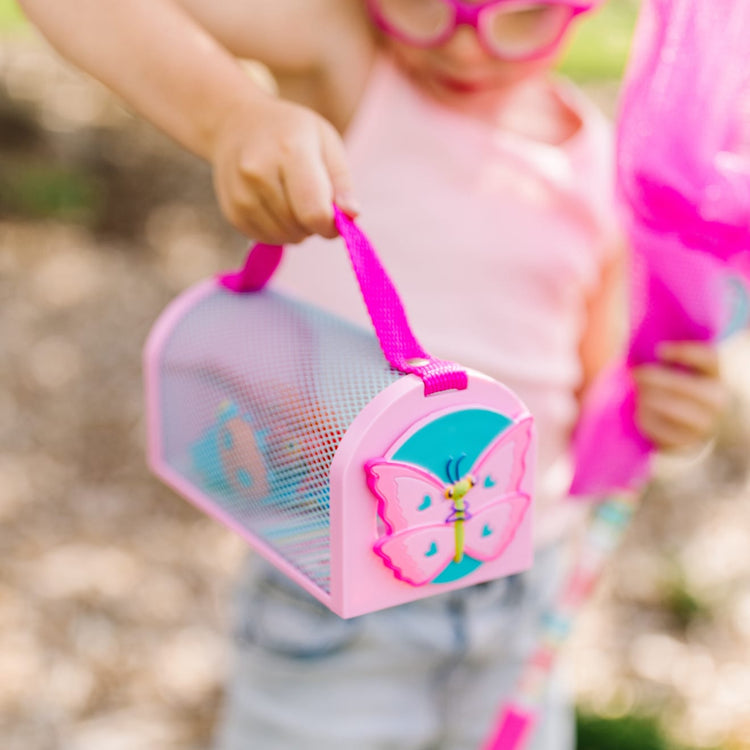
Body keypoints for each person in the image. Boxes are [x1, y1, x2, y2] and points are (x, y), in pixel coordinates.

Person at [18, 1, 728, 748]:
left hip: (521, 601)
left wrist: (656, 410)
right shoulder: (350, 67)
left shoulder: (605, 173)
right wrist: (232, 117)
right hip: (335, 600)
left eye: (518, 16)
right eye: (420, 5)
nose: (462, 49)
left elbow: (590, 396)